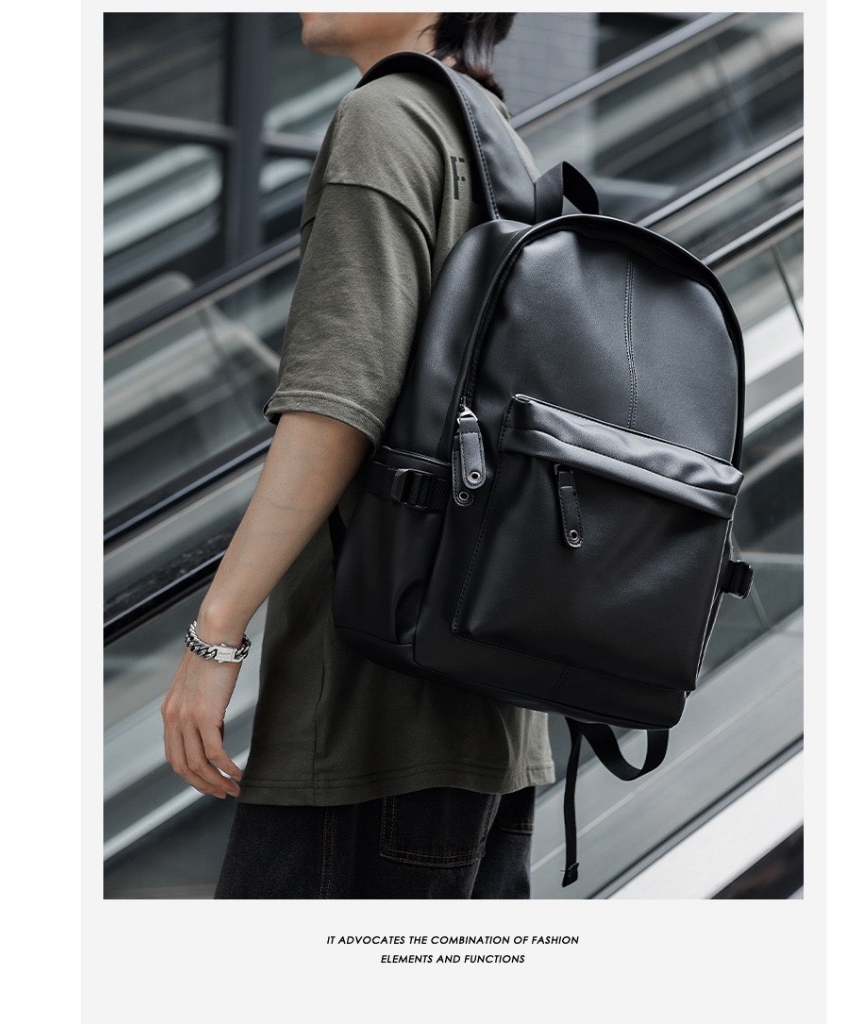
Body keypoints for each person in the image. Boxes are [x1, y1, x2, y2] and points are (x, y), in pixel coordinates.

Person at [161, 12, 555, 899]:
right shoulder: (493, 138)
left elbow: (335, 406)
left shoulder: (385, 117)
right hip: (488, 713)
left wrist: (214, 635)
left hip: (370, 719)